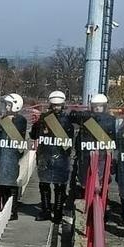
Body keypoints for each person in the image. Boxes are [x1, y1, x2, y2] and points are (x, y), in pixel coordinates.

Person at [31, 91, 75, 223]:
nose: (56, 107)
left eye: (58, 105)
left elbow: (70, 140)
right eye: (54, 105)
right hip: (46, 156)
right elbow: (34, 134)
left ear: (63, 105)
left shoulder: (65, 120)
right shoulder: (45, 118)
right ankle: (46, 211)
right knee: (44, 184)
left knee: (59, 186)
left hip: (60, 157)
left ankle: (57, 213)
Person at [0, 94, 29, 219]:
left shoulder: (20, 120)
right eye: (6, 105)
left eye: (9, 105)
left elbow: (18, 140)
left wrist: (5, 122)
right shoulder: (2, 120)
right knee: (2, 183)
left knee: (11, 185)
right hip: (1, 155)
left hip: (12, 156)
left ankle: (12, 211)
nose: (6, 107)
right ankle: (1, 207)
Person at [74, 92, 116, 199]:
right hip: (88, 153)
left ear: (104, 107)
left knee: (102, 179)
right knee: (87, 177)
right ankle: (88, 196)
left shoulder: (110, 121)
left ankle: (102, 199)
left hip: (101, 154)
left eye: (100, 107)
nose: (97, 109)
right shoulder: (86, 118)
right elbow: (73, 115)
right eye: (95, 107)